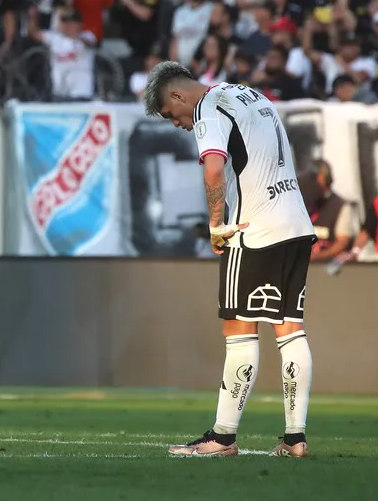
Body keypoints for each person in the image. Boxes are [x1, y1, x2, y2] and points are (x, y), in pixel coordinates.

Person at [142, 61, 316, 459]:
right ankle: (295, 438)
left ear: (178, 95)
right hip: (296, 224)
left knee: (239, 333)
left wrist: (217, 224)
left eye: (171, 115)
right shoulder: (248, 94)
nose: (177, 123)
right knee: (290, 332)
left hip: (252, 231)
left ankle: (222, 438)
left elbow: (215, 170)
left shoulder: (208, 107)